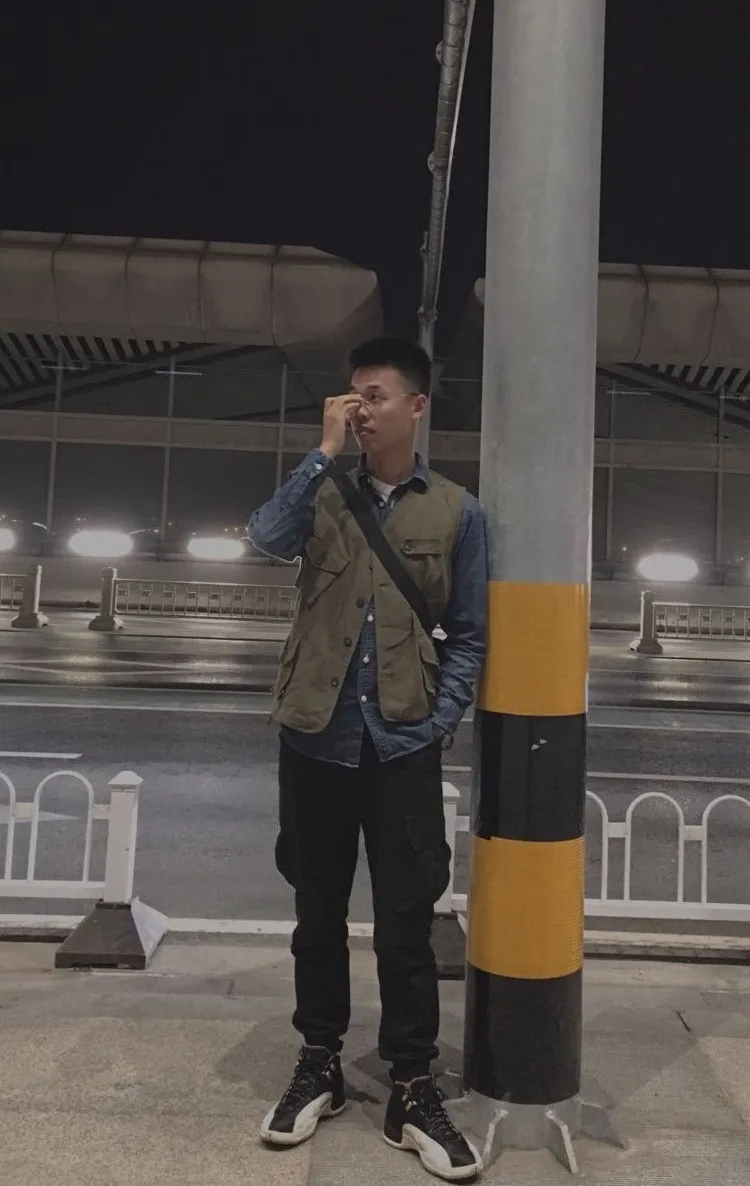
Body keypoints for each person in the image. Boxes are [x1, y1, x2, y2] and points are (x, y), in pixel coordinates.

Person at [248, 336, 488, 1182]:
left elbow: (470, 635)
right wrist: (320, 452)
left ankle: (411, 1084)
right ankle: (318, 1061)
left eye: (376, 395)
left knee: (406, 924)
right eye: (352, 394)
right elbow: (265, 540)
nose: (360, 409)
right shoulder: (322, 490)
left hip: (399, 745)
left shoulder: (456, 512)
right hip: (314, 737)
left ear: (416, 407)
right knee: (315, 914)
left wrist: (436, 722)